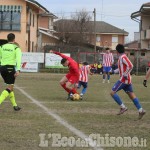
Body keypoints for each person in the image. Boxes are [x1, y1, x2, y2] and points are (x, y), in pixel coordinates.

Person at [110, 44, 146, 119]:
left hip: (124, 79)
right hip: (127, 79)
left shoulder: (123, 57)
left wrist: (125, 74)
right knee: (131, 95)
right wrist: (113, 71)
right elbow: (121, 69)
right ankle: (141, 110)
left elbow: (131, 65)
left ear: (117, 51)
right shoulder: (121, 58)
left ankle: (123, 107)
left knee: (112, 92)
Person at [0, 33, 22, 111]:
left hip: (2, 68)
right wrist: (18, 70)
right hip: (10, 69)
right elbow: (19, 59)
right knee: (10, 87)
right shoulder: (16, 48)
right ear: (14, 39)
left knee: (10, 87)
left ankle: (15, 105)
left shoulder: (2, 47)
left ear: (7, 39)